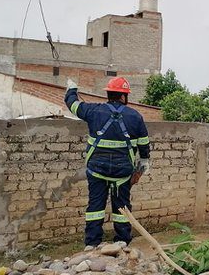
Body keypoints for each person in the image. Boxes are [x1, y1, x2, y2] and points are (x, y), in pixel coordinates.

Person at [64, 77, 150, 248]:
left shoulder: (93, 111)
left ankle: (92, 244)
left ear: (108, 93)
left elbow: (72, 104)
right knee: (122, 208)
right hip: (122, 173)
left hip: (97, 171)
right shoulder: (135, 117)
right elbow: (144, 149)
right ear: (124, 96)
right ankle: (122, 242)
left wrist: (72, 88)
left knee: (95, 206)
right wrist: (139, 172)